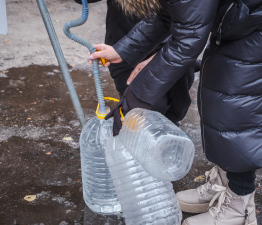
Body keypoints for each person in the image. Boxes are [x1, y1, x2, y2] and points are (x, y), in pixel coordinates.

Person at [90, 0, 262, 225]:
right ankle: (225, 183)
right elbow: (171, 15)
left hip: (253, 24)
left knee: (236, 108)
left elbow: (188, 38)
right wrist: (123, 49)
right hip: (237, 20)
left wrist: (137, 97)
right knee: (218, 98)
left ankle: (240, 206)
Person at [75, 0, 200, 136]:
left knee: (177, 103)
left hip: (177, 45)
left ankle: (169, 134)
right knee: (142, 112)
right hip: (126, 45)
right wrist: (123, 50)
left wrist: (166, 53)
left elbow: (192, 21)